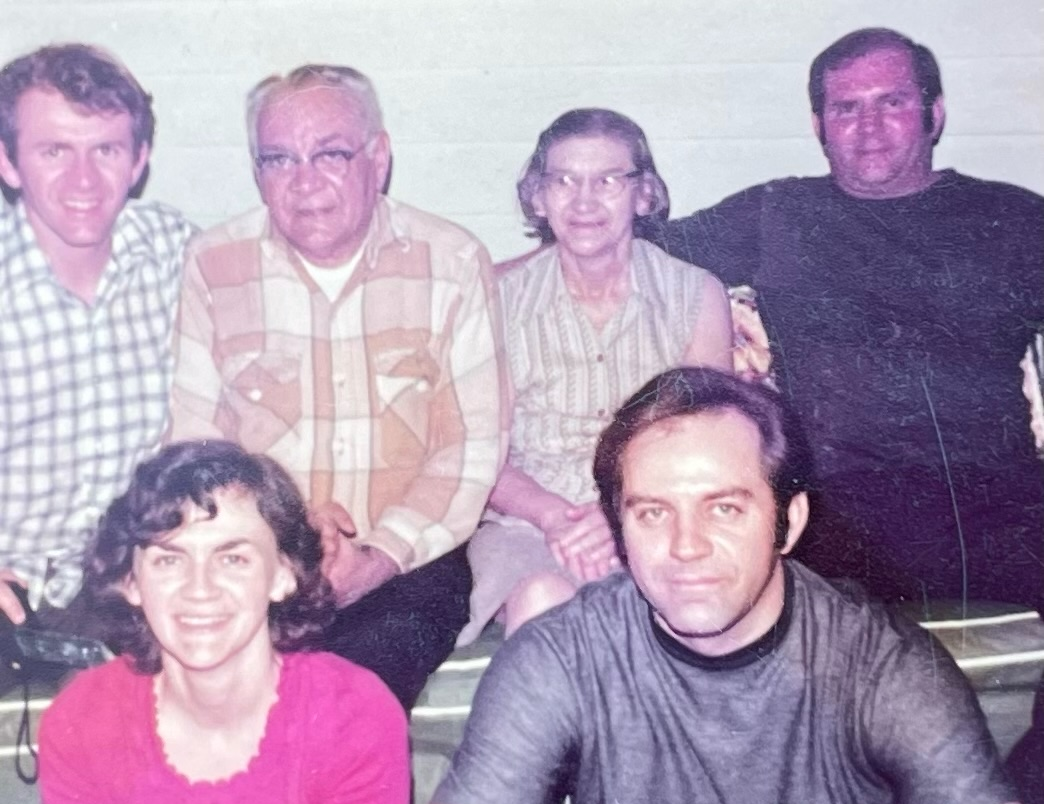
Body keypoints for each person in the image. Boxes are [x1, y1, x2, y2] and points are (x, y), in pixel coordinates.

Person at [425, 367, 1029, 804]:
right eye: (653, 512)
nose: (686, 546)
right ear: (620, 530)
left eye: (724, 508)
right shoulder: (561, 656)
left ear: (788, 523)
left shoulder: (882, 665)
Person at [655, 28, 1044, 610]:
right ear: (819, 127)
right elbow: (612, 243)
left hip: (995, 498)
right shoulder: (779, 212)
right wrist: (483, 269)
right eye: (846, 108)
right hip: (837, 508)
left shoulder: (1010, 217)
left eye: (892, 102)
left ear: (933, 115)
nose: (869, 127)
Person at [168, 64, 506, 708]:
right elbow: (197, 448)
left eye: (330, 154)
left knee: (347, 714)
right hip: (256, 563)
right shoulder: (214, 265)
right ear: (255, 170)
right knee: (209, 713)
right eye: (279, 159)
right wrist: (273, 544)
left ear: (377, 159)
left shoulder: (452, 261)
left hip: (403, 568)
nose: (304, 183)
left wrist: (376, 555)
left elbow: (470, 449)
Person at [457, 109, 732, 646]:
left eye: (608, 180)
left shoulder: (695, 295)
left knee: (648, 603)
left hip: (658, 516)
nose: (584, 201)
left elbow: (710, 446)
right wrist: (557, 518)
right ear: (537, 197)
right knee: (542, 598)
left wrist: (621, 516)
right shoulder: (496, 301)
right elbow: (480, 454)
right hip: (530, 525)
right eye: (563, 181)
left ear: (644, 194)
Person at [38, 440, 409, 804]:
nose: (200, 588)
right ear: (131, 581)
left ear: (283, 575)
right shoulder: (83, 720)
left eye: (232, 558)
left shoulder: (352, 715)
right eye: (169, 559)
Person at [0, 44, 195, 634]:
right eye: (54, 150)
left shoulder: (175, 253)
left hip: (131, 583)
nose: (83, 179)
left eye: (105, 150)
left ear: (139, 160)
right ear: (8, 163)